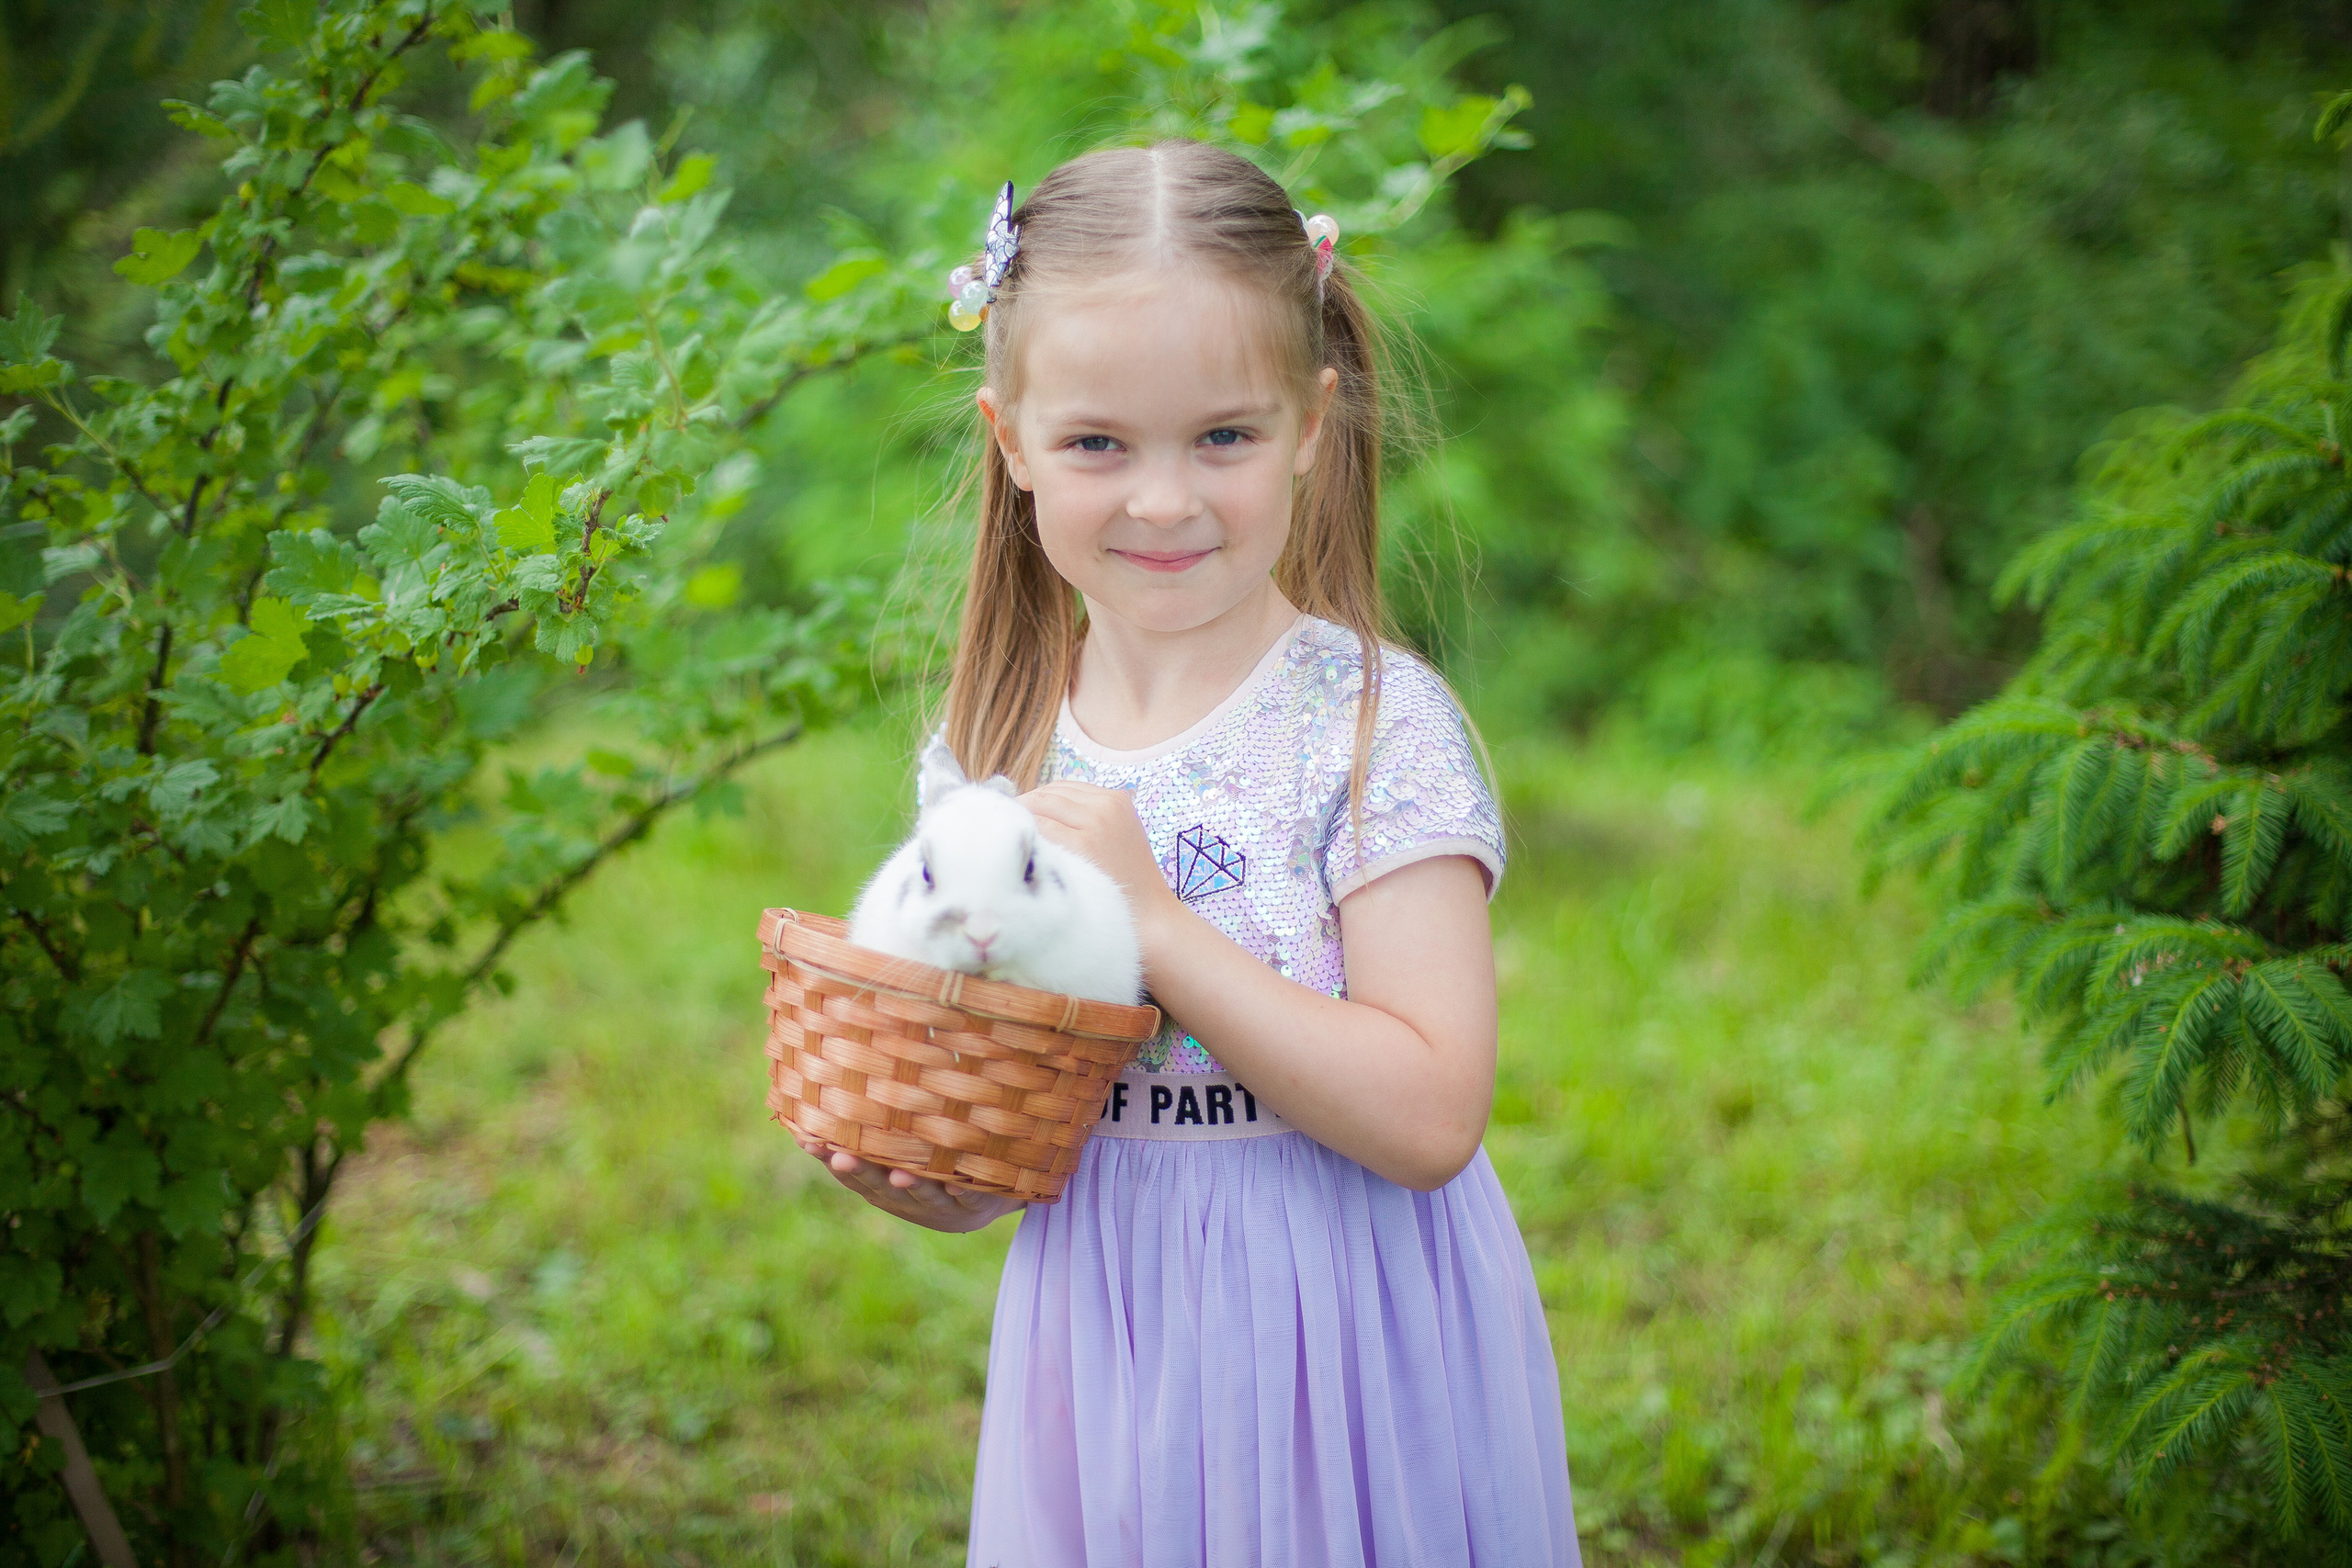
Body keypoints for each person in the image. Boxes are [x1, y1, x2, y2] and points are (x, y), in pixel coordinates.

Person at [793, 139, 1578, 1567]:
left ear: (1310, 426)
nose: (1164, 500)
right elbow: (1016, 1118)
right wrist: (930, 1171)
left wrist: (1158, 925)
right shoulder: (998, 749)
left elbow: (1428, 1117)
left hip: (1344, 1327)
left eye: (1222, 436)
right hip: (1113, 1328)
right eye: (1099, 443)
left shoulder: (1368, 725)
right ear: (1012, 441)